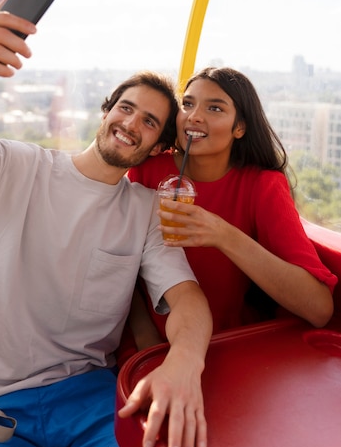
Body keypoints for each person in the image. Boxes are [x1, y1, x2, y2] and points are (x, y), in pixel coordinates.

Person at [0, 6, 213, 447]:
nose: (131, 125)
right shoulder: (15, 167)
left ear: (160, 146)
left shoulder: (146, 211)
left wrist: (184, 362)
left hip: (93, 402)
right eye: (126, 108)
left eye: (150, 122)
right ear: (106, 112)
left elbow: (188, 300)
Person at [122, 66, 337, 357]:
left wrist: (223, 235)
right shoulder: (146, 169)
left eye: (214, 108)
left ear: (240, 127)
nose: (194, 116)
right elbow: (122, 266)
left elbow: (319, 308)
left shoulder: (262, 186)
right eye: (187, 104)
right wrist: (145, 338)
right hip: (145, 344)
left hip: (230, 346)